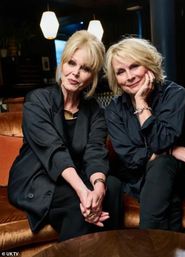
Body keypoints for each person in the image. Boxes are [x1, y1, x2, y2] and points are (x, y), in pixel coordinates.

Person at [8, 30, 122, 241]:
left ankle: (109, 249)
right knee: (77, 205)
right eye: (71, 63)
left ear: (92, 77)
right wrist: (83, 193)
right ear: (62, 63)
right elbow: (53, 151)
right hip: (36, 177)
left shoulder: (95, 111)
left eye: (85, 68)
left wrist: (98, 189)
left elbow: (95, 152)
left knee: (112, 186)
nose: (75, 73)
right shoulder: (37, 101)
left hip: (75, 175)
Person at [104, 37, 185, 231]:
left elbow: (160, 142)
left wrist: (141, 102)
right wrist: (172, 151)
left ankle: (146, 247)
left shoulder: (175, 94)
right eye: (121, 72)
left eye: (134, 66)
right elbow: (130, 157)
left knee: (162, 164)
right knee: (167, 187)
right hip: (145, 175)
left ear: (149, 65)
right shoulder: (114, 110)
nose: (129, 76)